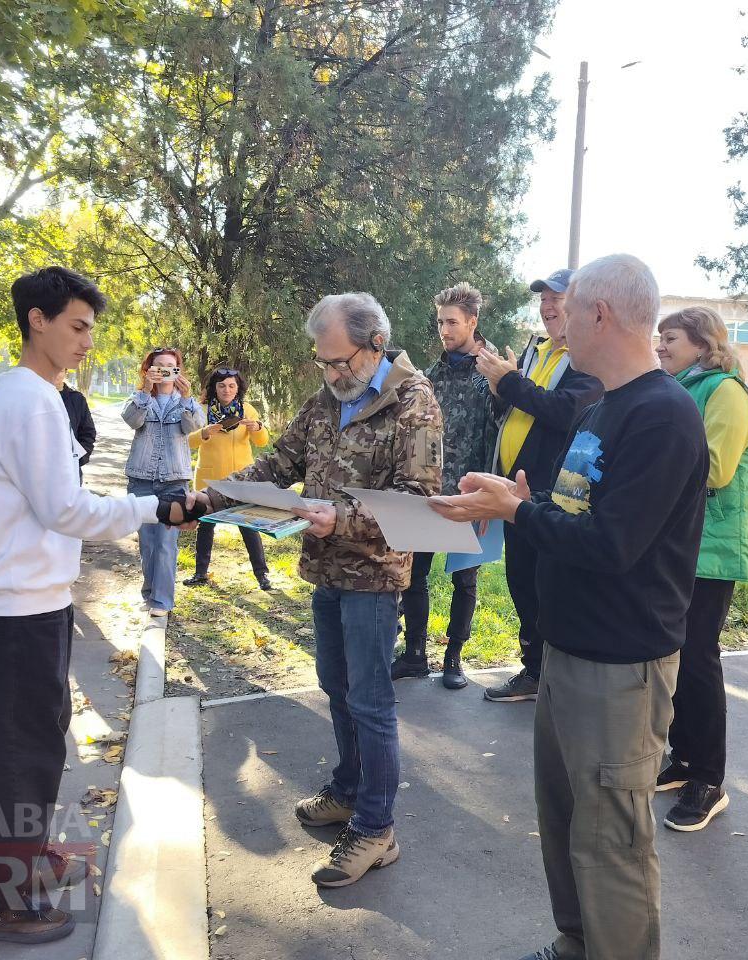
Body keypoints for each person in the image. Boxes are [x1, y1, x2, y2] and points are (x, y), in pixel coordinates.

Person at [431, 254, 708, 960]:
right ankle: (577, 943)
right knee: (563, 822)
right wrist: (518, 499)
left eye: (567, 309)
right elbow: (577, 510)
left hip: (621, 667)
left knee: (611, 839)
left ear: (600, 314)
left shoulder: (663, 415)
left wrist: (520, 514)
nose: (554, 327)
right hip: (570, 651)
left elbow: (613, 544)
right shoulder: (605, 407)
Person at [0, 266, 202, 944]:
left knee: (28, 748)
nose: (89, 340)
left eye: (91, 327)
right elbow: (67, 509)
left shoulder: (28, 394)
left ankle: (25, 862)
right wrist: (159, 508)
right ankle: (1, 900)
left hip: (24, 603)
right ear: (39, 320)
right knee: (19, 754)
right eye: (78, 326)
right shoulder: (29, 400)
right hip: (14, 610)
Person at [196, 292, 442, 888]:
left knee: (372, 702)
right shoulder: (324, 401)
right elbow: (277, 464)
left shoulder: (415, 404)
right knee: (336, 686)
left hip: (374, 578)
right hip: (327, 573)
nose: (332, 374)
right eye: (323, 363)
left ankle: (377, 828)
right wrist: (211, 496)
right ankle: (349, 789)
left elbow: (418, 500)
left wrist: (341, 518)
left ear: (375, 345)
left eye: (341, 363)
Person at [653, 306, 748, 832]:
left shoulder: (726, 392)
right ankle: (685, 759)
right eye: (659, 337)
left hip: (713, 549)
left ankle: (709, 780)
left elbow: (715, 468)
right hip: (683, 545)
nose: (659, 345)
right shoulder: (686, 388)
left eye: (670, 337)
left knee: (698, 658)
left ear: (702, 343)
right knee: (677, 656)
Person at [475, 268, 602, 703]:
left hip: (551, 494)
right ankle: (534, 669)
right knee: (521, 584)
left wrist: (509, 382)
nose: (547, 306)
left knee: (547, 586)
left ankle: (552, 676)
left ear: (583, 307)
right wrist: (500, 388)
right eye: (543, 299)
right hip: (516, 492)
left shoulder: (588, 361)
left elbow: (565, 410)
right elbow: (516, 406)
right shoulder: (537, 349)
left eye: (557, 298)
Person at [394, 281, 496, 690]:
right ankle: (416, 654)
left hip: (469, 493)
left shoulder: (489, 373)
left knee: (463, 578)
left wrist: (489, 498)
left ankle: (454, 657)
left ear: (472, 322)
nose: (444, 330)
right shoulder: (431, 375)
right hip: (430, 491)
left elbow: (497, 435)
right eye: (440, 322)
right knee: (414, 574)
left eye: (452, 322)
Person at [121, 348, 206, 617]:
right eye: (159, 366)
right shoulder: (139, 398)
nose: (165, 371)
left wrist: (188, 398)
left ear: (179, 371)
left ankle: (162, 601)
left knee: (166, 544)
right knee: (147, 543)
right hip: (142, 479)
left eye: (171, 366)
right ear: (148, 371)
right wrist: (146, 391)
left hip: (174, 481)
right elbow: (132, 420)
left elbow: (193, 428)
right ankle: (150, 592)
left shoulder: (186, 401)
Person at [185, 366, 272, 590]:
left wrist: (258, 427)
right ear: (214, 388)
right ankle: (200, 573)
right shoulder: (201, 410)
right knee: (205, 526)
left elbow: (262, 442)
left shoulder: (248, 410)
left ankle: (262, 575)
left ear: (238, 388)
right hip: (209, 478)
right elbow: (186, 442)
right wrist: (203, 433)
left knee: (249, 527)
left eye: (231, 385)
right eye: (222, 385)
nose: (227, 390)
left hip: (241, 481)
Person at [54, 369, 96, 481]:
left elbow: (88, 432)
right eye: (52, 368)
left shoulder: (76, 399)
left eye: (60, 370)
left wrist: (78, 459)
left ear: (65, 372)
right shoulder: (36, 397)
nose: (56, 373)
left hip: (70, 471)